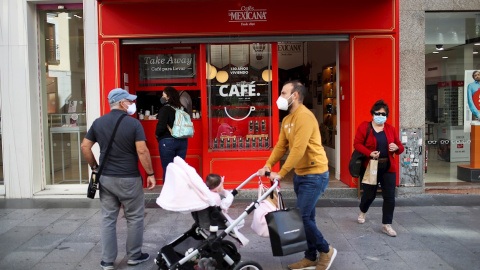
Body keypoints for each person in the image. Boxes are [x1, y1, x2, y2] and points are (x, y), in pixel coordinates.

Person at [258, 80, 336, 270]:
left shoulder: (305, 117)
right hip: (301, 175)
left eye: (283, 93)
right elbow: (281, 146)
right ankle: (310, 257)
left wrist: (281, 173)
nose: (280, 97)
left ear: (294, 95)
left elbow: (299, 149)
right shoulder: (287, 120)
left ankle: (326, 251)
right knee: (308, 217)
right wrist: (268, 164)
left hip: (315, 174)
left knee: (301, 217)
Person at [80, 88, 156, 270]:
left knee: (108, 218)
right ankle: (134, 256)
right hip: (129, 178)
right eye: (129, 101)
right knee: (135, 217)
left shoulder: (98, 123)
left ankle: (107, 261)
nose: (132, 105)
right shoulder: (134, 124)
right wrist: (150, 174)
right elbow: (142, 150)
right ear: (122, 103)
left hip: (106, 178)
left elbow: (85, 146)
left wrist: (95, 167)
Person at [355, 99, 404, 237]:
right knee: (369, 194)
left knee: (390, 197)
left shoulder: (390, 129)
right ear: (372, 114)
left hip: (388, 166)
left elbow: (400, 147)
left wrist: (396, 148)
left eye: (383, 114)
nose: (380, 116)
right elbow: (357, 144)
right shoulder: (365, 127)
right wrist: (369, 153)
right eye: (378, 113)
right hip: (371, 166)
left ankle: (387, 224)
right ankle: (362, 211)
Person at [156, 87, 189, 182]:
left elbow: (161, 127)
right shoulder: (183, 109)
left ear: (168, 97)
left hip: (168, 141)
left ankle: (168, 193)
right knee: (179, 169)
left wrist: (157, 136)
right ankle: (179, 193)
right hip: (183, 141)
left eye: (163, 95)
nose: (162, 97)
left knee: (168, 169)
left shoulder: (165, 109)